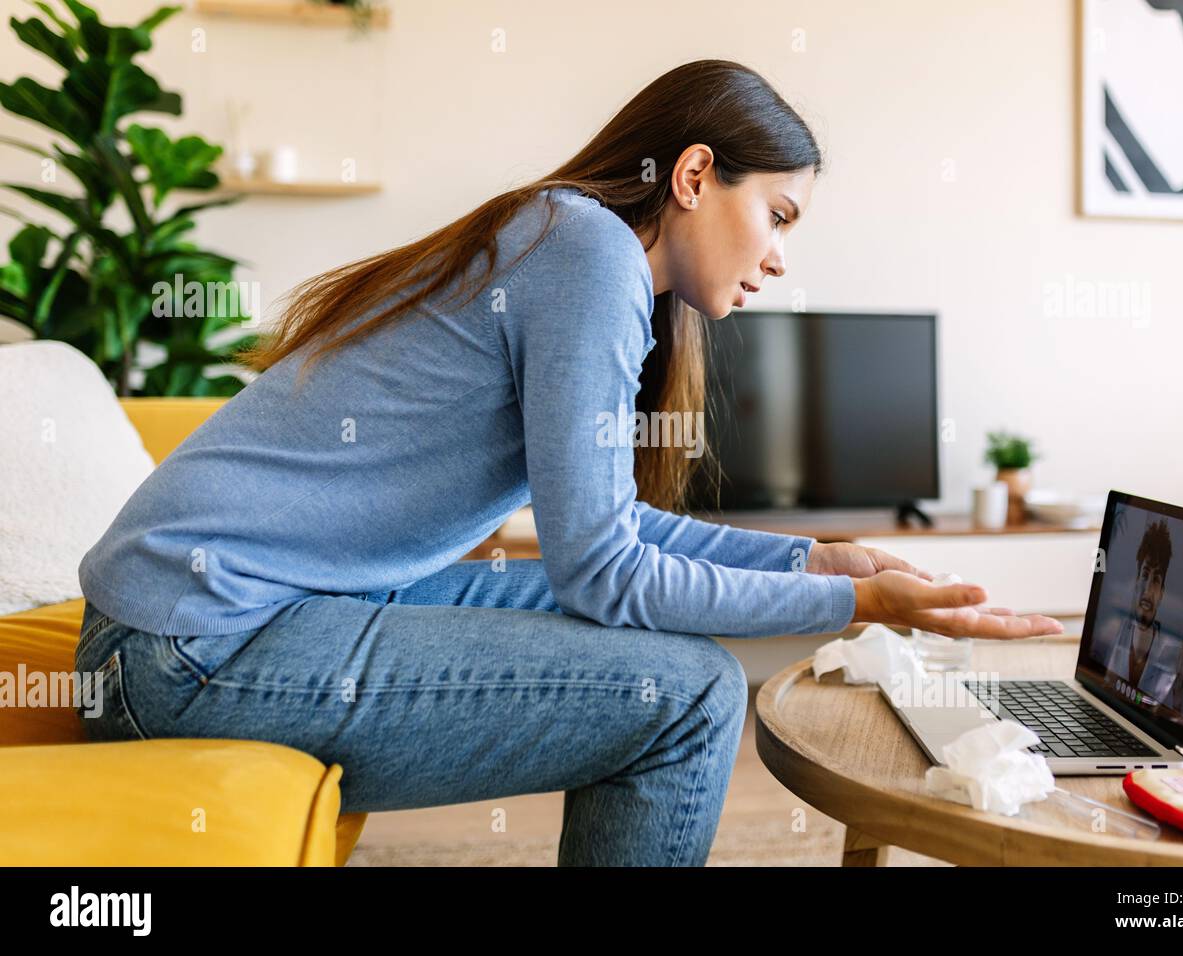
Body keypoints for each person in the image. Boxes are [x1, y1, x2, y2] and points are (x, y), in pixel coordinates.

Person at [73, 59, 1063, 866]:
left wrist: (812, 560)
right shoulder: (585, 254)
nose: (778, 256)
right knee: (689, 693)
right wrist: (859, 606)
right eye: (778, 215)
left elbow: (605, 539)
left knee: (622, 636)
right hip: (187, 651)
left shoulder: (567, 238)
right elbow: (606, 573)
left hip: (222, 620)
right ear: (691, 176)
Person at [1096, 517, 1183, 710]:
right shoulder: (1110, 632)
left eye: (1156, 580)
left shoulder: (1174, 652)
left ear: (1162, 592)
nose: (1148, 588)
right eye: (1145, 575)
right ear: (1136, 579)